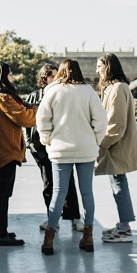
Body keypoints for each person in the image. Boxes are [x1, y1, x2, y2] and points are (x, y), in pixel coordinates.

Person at [36, 58, 107, 255]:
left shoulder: (52, 91)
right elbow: (101, 120)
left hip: (60, 150)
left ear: (60, 72)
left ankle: (49, 239)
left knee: (58, 192)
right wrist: (95, 140)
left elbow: (42, 120)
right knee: (87, 193)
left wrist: (47, 140)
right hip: (86, 149)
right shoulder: (88, 92)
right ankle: (88, 236)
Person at [0, 61, 37, 246]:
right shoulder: (2, 97)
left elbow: (20, 110)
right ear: (2, 75)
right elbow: (25, 118)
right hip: (6, 150)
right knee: (2, 194)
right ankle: (1, 234)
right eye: (10, 73)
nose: (12, 76)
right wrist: (40, 110)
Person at [25, 62, 84, 231]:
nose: (55, 79)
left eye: (57, 75)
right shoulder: (33, 96)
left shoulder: (62, 95)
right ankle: (53, 220)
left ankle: (74, 218)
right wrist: (30, 145)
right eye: (51, 75)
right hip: (40, 149)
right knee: (49, 186)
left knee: (69, 184)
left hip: (60, 147)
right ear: (44, 78)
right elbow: (26, 124)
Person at [95, 52, 137, 244]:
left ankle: (125, 229)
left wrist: (101, 147)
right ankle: (124, 225)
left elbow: (116, 125)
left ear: (107, 67)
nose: (96, 71)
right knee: (118, 184)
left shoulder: (117, 89)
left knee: (119, 186)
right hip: (116, 146)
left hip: (116, 147)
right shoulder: (115, 88)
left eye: (99, 67)